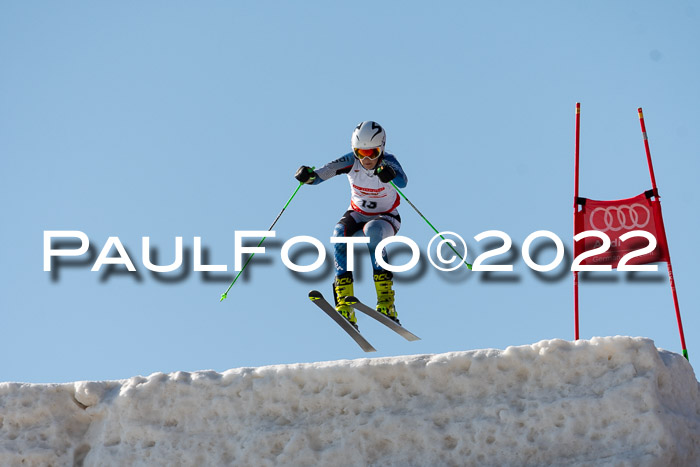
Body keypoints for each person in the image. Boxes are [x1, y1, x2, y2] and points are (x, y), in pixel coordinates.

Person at [294, 121, 408, 330]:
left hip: (386, 217)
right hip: (357, 213)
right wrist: (308, 176)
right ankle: (345, 298)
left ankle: (386, 301)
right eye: (360, 152)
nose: (366, 159)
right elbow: (321, 175)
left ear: (381, 148)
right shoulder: (350, 161)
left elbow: (402, 182)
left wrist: (389, 173)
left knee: (372, 233)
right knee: (339, 234)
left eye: (372, 153)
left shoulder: (388, 162)